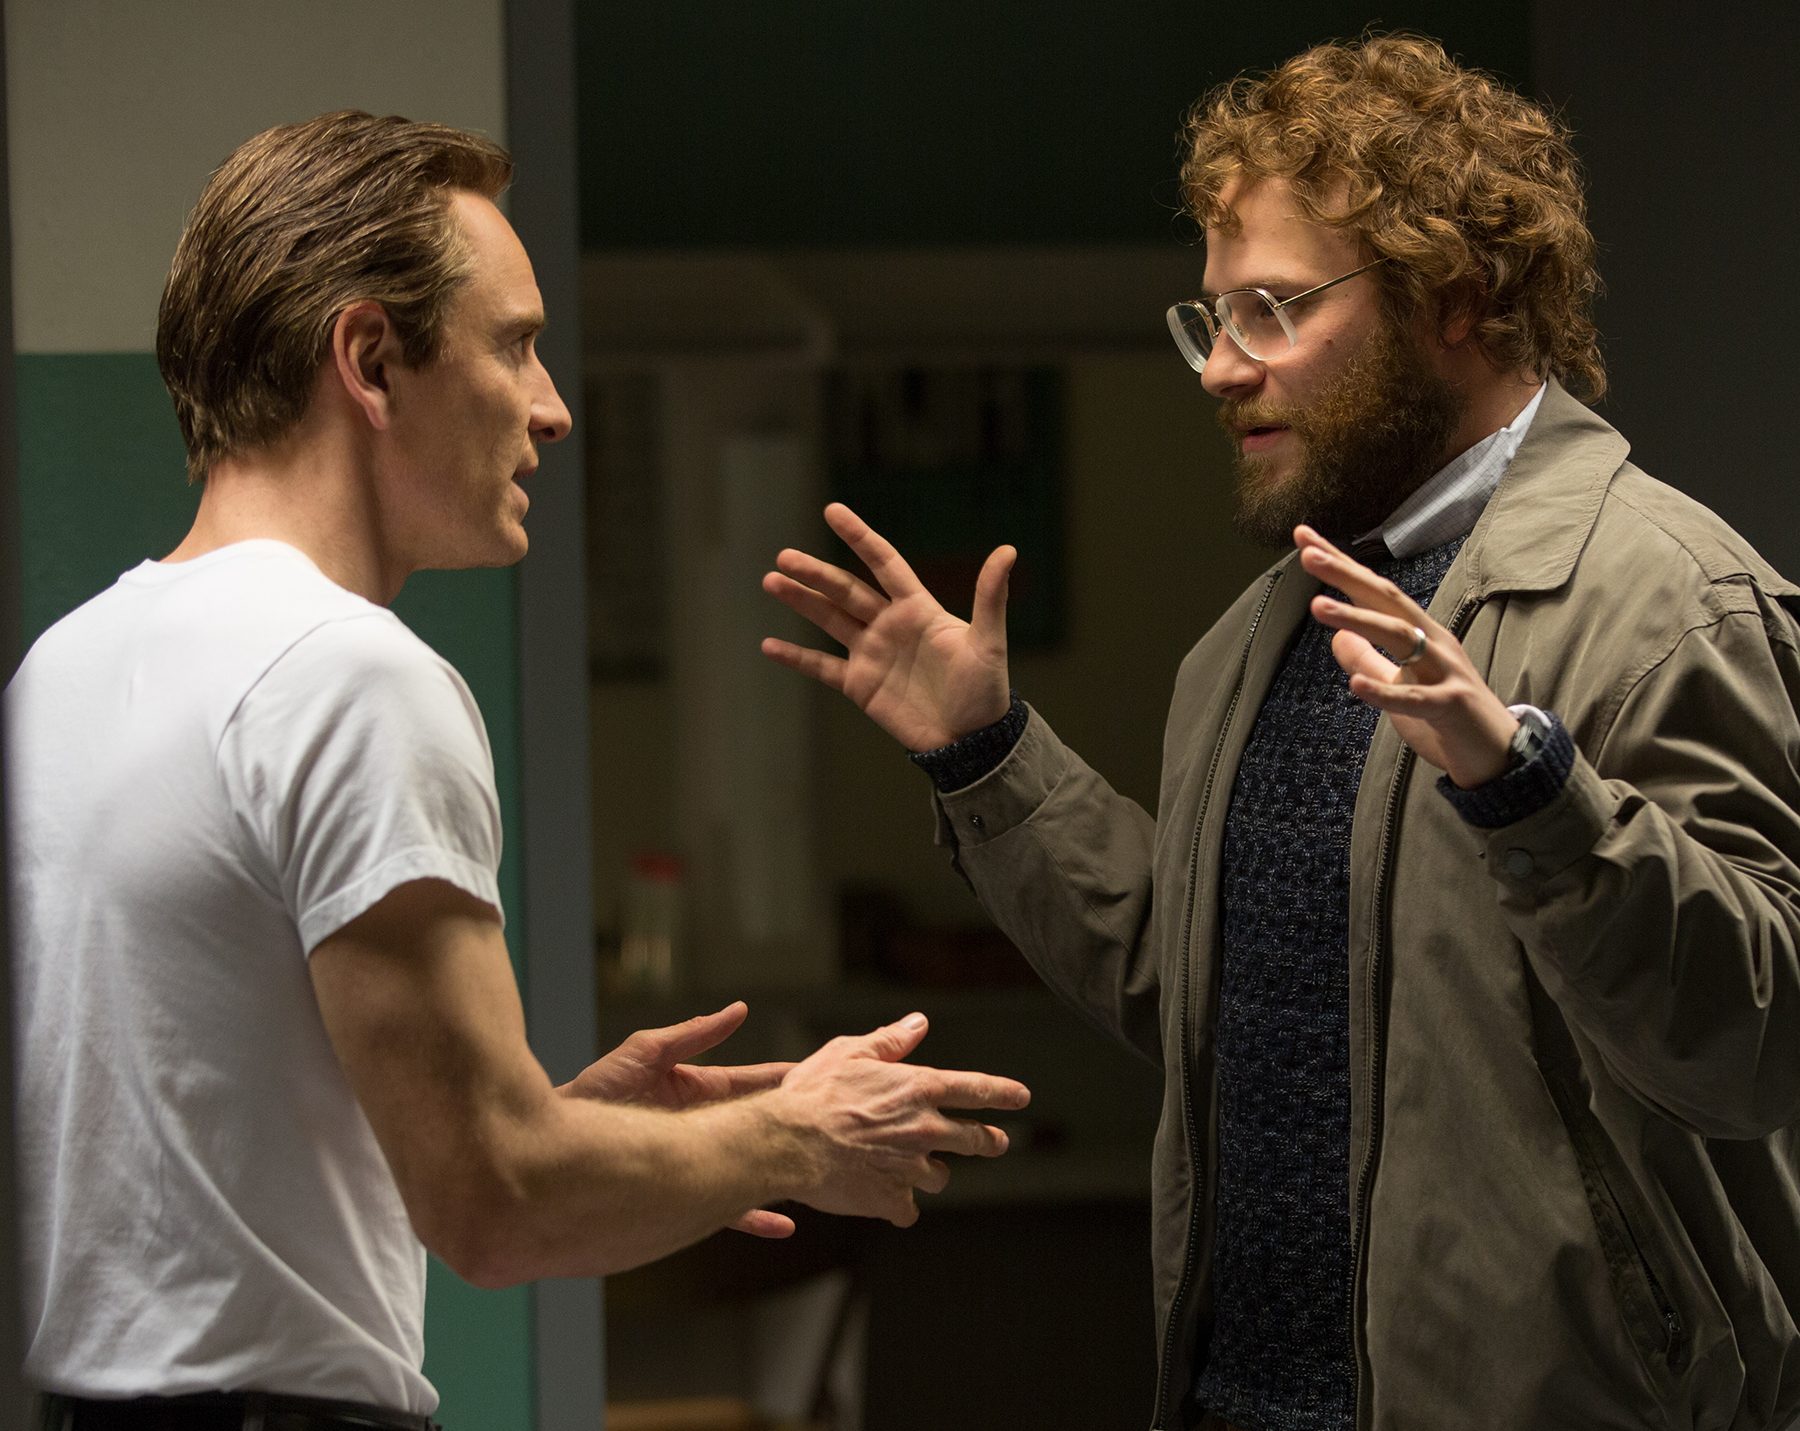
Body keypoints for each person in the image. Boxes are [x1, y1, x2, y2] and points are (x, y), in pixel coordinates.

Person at [762, 35, 1800, 1431]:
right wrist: (989, 757)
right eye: (1210, 319)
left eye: (1269, 310)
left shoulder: (1670, 601)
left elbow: (1757, 1042)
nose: (1219, 369)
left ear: (1457, 297)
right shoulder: (1257, 639)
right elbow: (1199, 991)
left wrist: (1533, 795)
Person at [4, 111, 1029, 1431]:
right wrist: (797, 1132)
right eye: (514, 345)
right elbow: (496, 1206)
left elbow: (220, 1173)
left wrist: (570, 1127)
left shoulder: (68, 665)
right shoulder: (349, 678)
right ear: (371, 360)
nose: (552, 408)